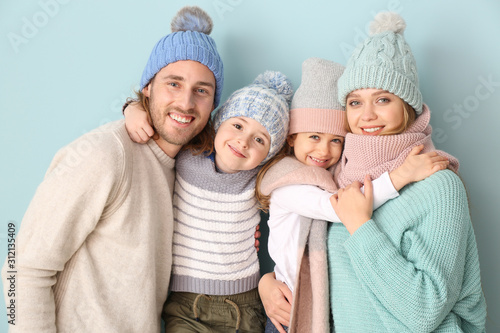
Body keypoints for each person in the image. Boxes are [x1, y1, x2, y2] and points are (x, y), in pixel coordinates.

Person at [261, 12, 487, 333]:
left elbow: (424, 311)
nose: (367, 116)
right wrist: (268, 283)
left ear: (407, 105)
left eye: (382, 99)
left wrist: (360, 225)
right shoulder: (337, 179)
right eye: (354, 102)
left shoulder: (438, 184)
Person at [1, 6, 224, 332]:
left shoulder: (191, 171)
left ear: (214, 103)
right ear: (147, 87)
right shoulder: (106, 153)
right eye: (173, 84)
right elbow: (21, 269)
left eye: (201, 90)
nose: (186, 103)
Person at [255, 57, 449, 333]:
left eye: (336, 141)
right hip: (291, 311)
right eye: (314, 137)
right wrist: (401, 176)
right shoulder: (288, 184)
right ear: (291, 138)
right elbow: (340, 208)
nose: (324, 151)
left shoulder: (333, 177)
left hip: (329, 311)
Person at [124, 70, 293, 332]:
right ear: (220, 121)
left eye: (260, 140)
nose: (243, 141)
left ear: (269, 154)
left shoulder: (262, 179)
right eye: (237, 125)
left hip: (244, 306)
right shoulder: (187, 155)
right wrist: (132, 108)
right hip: (186, 306)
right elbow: (159, 122)